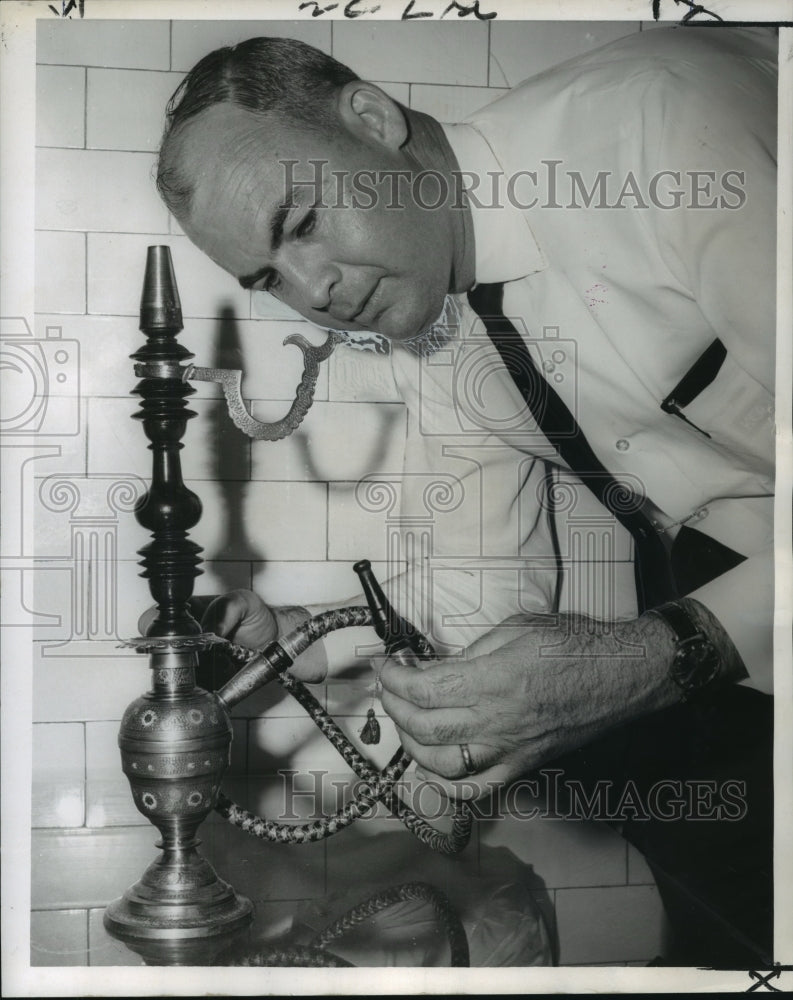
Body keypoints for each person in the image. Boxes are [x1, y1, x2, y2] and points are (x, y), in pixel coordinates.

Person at [154, 27, 777, 966]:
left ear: (371, 116)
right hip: (737, 587)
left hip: (731, 604)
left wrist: (663, 651)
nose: (312, 289)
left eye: (302, 222)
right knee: (706, 882)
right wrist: (302, 643)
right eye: (268, 279)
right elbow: (477, 601)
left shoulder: (662, 128)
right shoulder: (432, 327)